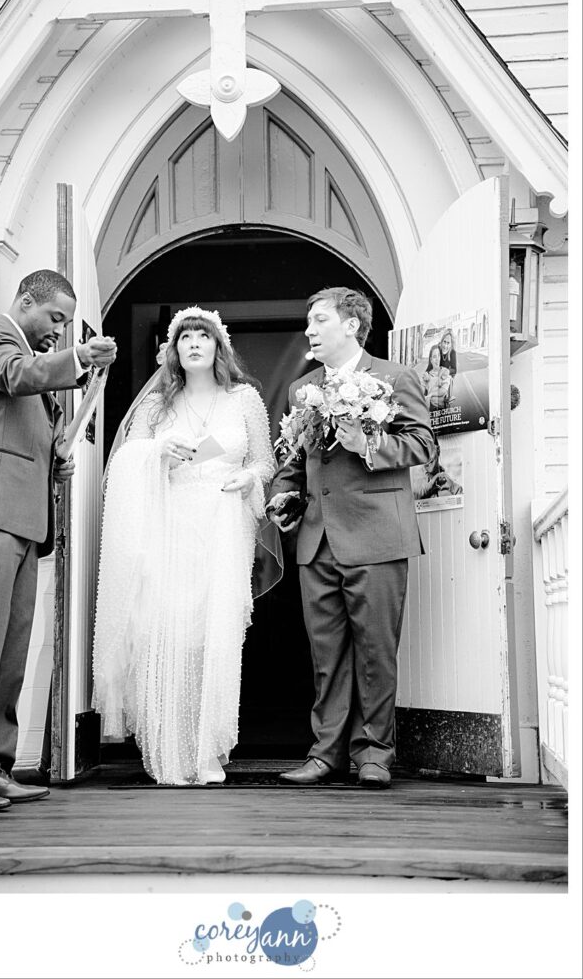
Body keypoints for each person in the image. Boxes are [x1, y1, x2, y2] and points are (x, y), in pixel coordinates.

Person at [92, 306, 281, 786]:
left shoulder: (245, 400)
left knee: (213, 639)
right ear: (173, 350)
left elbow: (265, 463)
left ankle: (207, 750)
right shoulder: (159, 404)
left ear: (220, 347)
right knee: (170, 633)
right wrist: (157, 451)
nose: (194, 342)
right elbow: (122, 463)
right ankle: (169, 747)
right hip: (170, 527)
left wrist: (248, 479)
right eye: (185, 337)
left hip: (222, 527)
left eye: (204, 335)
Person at [0, 268, 117, 812]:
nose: (60, 331)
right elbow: (17, 375)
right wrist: (81, 359)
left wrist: (56, 464)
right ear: (26, 301)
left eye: (67, 324)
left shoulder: (33, 367)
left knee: (10, 651)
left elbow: (22, 429)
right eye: (56, 318)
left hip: (26, 519)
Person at [267, 286, 435, 789]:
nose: (309, 331)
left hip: (378, 535)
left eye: (318, 320)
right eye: (309, 321)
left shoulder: (395, 377)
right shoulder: (303, 390)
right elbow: (296, 459)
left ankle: (375, 755)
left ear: (352, 324)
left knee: (376, 653)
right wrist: (284, 494)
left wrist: (370, 443)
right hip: (317, 541)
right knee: (327, 657)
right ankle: (326, 754)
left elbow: (423, 444)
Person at [421, 344, 452, 411]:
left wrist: (431, 394)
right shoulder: (427, 375)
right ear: (431, 360)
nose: (437, 359)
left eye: (438, 356)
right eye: (434, 357)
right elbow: (421, 390)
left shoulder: (445, 372)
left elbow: (443, 391)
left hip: (440, 408)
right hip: (429, 407)